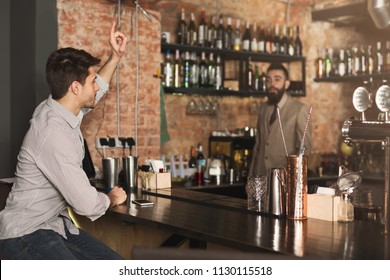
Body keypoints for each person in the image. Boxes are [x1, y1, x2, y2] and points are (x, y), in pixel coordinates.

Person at [0, 22, 128, 260]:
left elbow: (96, 90)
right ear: (75, 87)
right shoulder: (54, 134)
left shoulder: (58, 108)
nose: (95, 85)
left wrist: (115, 57)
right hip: (25, 232)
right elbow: (87, 205)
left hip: (54, 225)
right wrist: (111, 197)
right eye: (91, 81)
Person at [248, 62, 311, 177]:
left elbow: (303, 151)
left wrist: (290, 178)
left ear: (286, 84)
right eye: (268, 80)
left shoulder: (300, 110)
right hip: (260, 179)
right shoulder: (263, 109)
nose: (272, 84)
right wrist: (251, 178)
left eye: (277, 80)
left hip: (284, 181)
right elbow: (257, 147)